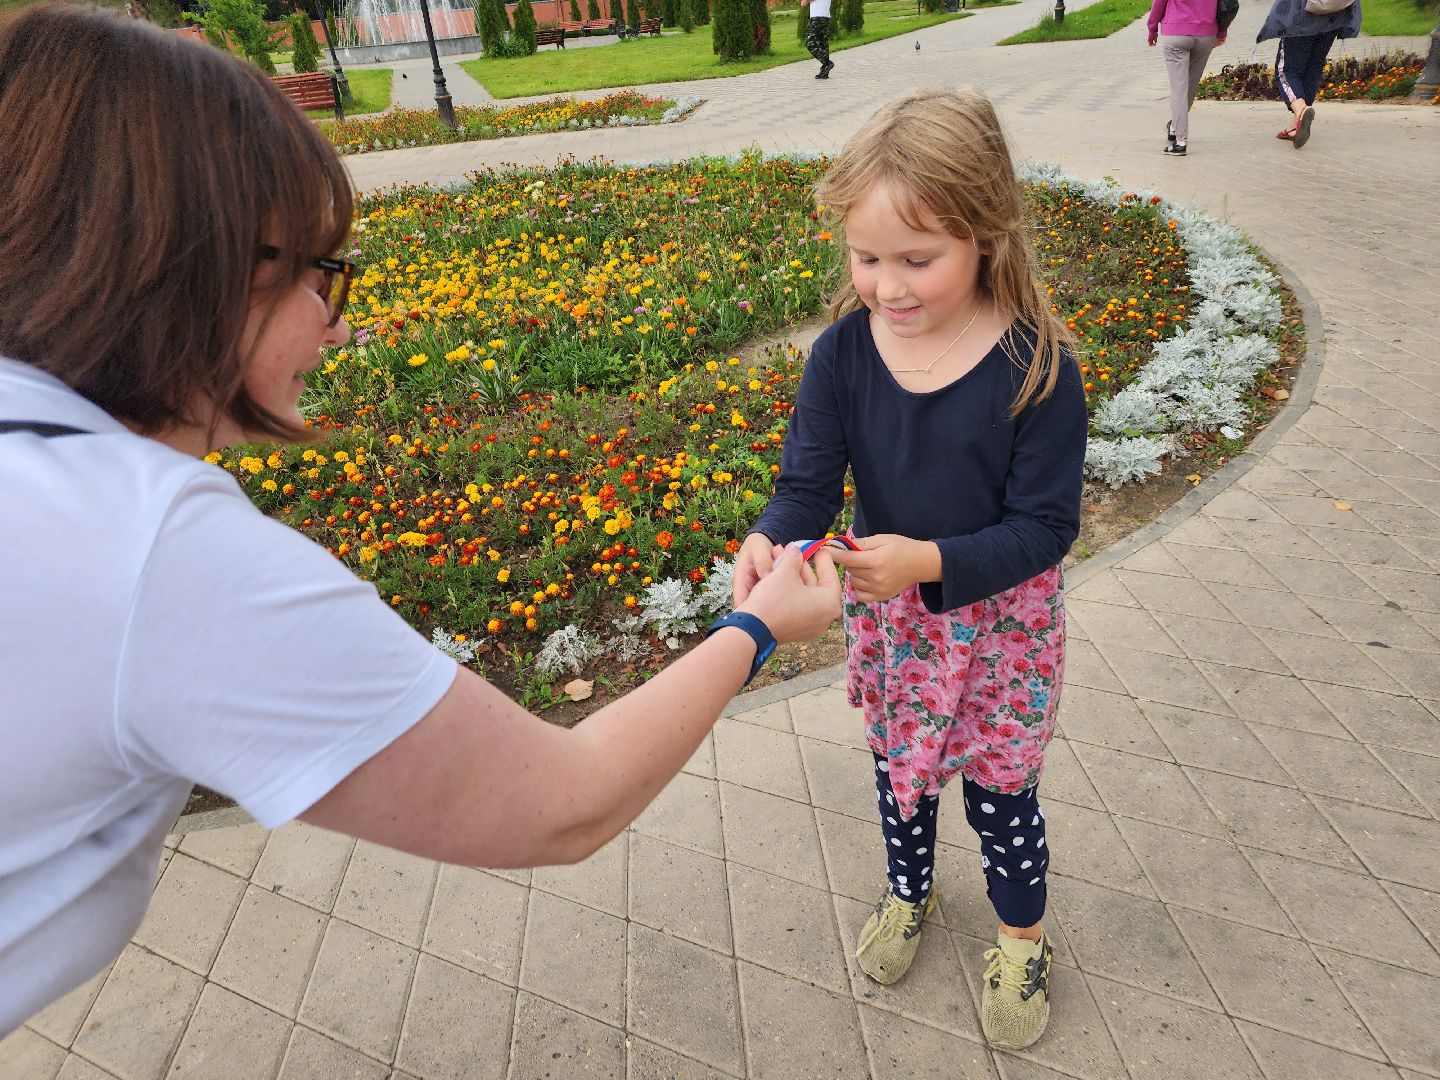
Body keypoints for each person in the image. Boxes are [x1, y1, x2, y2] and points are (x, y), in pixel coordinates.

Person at [0, 4, 840, 1038]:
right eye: (320, 272)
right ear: (198, 265)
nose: (340, 320)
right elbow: (565, 802)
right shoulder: (150, 551)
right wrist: (753, 631)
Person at [734, 89, 1087, 1052]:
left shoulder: (1036, 364)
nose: (887, 286)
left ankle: (1022, 936)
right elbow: (807, 486)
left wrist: (933, 560)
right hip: (896, 627)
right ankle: (908, 892)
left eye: (917, 261)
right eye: (866, 257)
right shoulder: (844, 353)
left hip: (1003, 627)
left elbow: (1047, 526)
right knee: (900, 776)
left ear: (987, 233)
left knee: (1002, 791)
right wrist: (775, 536)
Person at [1257, 0, 1362, 147]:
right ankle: (1295, 127)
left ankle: (1301, 110)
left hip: (1302, 17)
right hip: (1334, 14)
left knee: (1286, 71)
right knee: (1313, 67)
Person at [1147, 0, 1226, 156]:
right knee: (1190, 85)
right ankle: (1175, 127)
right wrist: (1222, 32)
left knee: (1179, 88)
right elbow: (1225, 5)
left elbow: (1159, 3)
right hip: (1206, 34)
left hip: (1176, 33)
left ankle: (1180, 141)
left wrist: (1152, 29)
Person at [801, 0, 835, 79]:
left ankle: (827, 63)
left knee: (810, 43)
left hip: (817, 18)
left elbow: (804, 3)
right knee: (823, 44)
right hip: (826, 17)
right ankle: (825, 71)